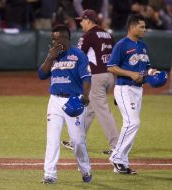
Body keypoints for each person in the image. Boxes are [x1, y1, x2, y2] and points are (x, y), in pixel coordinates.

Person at [38, 24, 92, 184]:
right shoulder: (53, 55)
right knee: (52, 138)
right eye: (53, 39)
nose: (55, 42)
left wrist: (86, 95)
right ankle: (50, 174)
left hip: (74, 100)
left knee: (77, 140)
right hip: (54, 101)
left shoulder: (78, 55)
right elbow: (41, 75)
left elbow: (87, 78)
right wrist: (49, 57)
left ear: (66, 38)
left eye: (57, 39)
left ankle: (85, 169)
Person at [61, 9, 119, 155]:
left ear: (88, 20)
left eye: (81, 20)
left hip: (97, 77)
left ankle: (117, 146)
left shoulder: (88, 36)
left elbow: (79, 57)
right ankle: (75, 140)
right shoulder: (108, 35)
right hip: (109, 76)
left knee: (102, 111)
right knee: (89, 109)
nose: (80, 23)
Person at [107, 14, 159, 174]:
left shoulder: (143, 46)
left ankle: (122, 162)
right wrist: (130, 74)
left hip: (138, 90)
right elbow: (111, 66)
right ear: (132, 27)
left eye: (144, 27)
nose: (144, 29)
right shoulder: (122, 45)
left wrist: (152, 72)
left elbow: (146, 68)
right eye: (142, 26)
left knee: (131, 124)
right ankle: (116, 157)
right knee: (133, 122)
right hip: (124, 88)